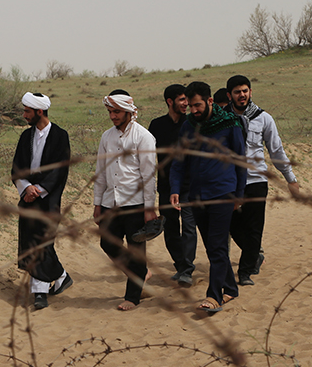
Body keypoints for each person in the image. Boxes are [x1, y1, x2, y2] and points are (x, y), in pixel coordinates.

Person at [170, 82, 247, 313]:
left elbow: (240, 160)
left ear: (210, 101)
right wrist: (175, 189)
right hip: (196, 196)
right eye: (190, 106)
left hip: (223, 193)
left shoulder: (230, 123)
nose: (193, 110)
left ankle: (214, 296)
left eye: (197, 105)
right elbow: (178, 162)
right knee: (212, 246)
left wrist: (239, 194)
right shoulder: (187, 126)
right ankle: (231, 289)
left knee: (217, 246)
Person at [226, 75, 300, 286]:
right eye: (237, 92)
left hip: (256, 179)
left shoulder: (264, 118)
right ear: (229, 94)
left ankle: (245, 272)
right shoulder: (222, 119)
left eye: (245, 91)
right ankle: (254, 254)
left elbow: (276, 150)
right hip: (230, 181)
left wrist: (291, 179)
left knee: (255, 227)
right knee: (232, 225)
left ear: (250, 92)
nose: (242, 95)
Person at [93, 90, 158, 310]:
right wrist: (97, 205)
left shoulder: (144, 136)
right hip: (110, 202)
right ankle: (141, 275)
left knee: (136, 251)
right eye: (110, 112)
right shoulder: (106, 137)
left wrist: (149, 208)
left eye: (117, 111)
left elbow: (149, 175)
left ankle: (132, 297)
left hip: (136, 203)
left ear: (129, 110)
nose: (113, 116)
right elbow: (100, 173)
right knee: (107, 243)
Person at [11, 92, 74, 310]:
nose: (24, 115)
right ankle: (61, 276)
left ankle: (39, 292)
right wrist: (26, 188)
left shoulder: (60, 136)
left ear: (39, 112)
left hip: (48, 199)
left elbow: (60, 170)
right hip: (27, 197)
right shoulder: (24, 137)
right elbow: (16, 168)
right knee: (32, 243)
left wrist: (38, 190)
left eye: (27, 111)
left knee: (42, 243)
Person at [148, 84, 197, 287]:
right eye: (182, 100)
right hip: (166, 186)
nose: (186, 104)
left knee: (189, 227)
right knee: (169, 229)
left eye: (187, 100)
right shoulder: (157, 125)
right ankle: (181, 265)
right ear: (170, 102)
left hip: (189, 186)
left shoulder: (192, 124)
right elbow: (150, 156)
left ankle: (187, 269)